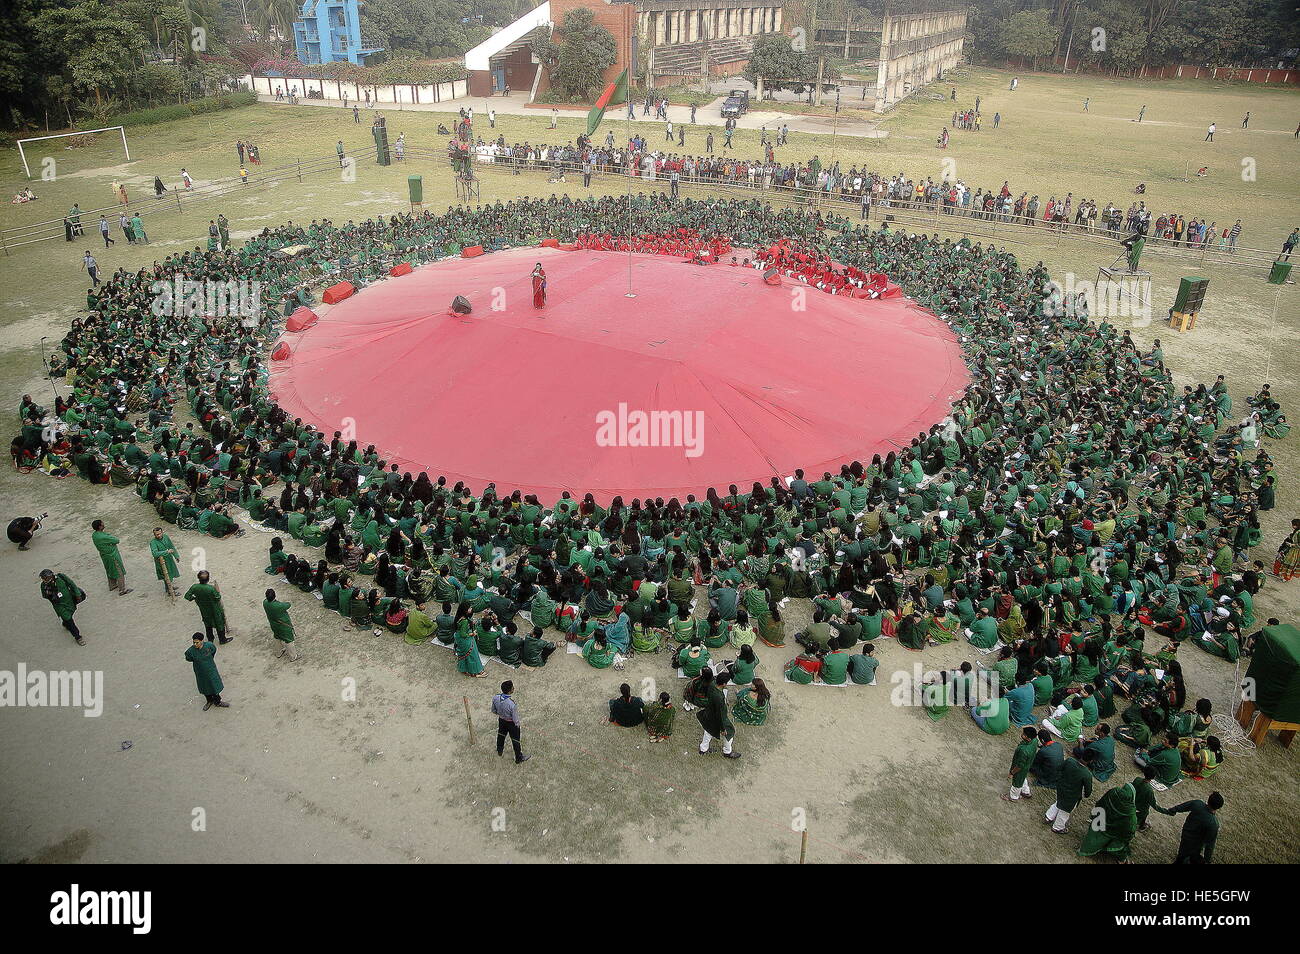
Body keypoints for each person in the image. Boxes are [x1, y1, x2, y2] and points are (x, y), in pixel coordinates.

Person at [1077, 779, 1139, 861]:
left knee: (1093, 837)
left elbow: (1101, 803)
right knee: (1120, 844)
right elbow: (1129, 830)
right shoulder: (1130, 813)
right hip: (1113, 832)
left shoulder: (1113, 793)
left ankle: (1086, 849)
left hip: (1101, 823)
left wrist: (1095, 815)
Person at [1155, 792, 1222, 863]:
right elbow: (1210, 845)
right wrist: (1207, 860)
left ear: (1208, 800)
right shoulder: (1213, 824)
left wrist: (1173, 810)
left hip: (1186, 834)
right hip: (1196, 844)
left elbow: (1184, 806)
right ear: (1219, 807)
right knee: (1185, 857)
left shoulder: (1198, 804)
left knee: (1183, 850)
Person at [1045, 747, 1095, 833]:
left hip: (1061, 788)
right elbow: (1088, 791)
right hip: (1072, 796)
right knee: (1065, 811)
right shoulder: (1087, 774)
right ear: (1091, 761)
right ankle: (1058, 827)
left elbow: (1059, 769)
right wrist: (1086, 795)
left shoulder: (1070, 761)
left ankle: (1049, 816)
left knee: (1059, 801)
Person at [696, 668, 739, 758]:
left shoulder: (712, 684)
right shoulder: (719, 697)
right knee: (729, 733)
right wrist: (722, 729)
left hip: (709, 713)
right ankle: (727, 751)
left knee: (708, 731)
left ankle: (703, 749)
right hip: (718, 718)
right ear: (724, 684)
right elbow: (719, 714)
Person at [40, 568, 86, 645]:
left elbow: (71, 584)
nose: (44, 580)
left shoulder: (61, 577)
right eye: (43, 578)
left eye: (46, 578)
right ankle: (78, 637)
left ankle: (65, 623)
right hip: (59, 605)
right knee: (68, 619)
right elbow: (45, 596)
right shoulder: (43, 586)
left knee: (69, 615)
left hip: (70, 602)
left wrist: (77, 594)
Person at [184, 570, 230, 644]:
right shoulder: (211, 588)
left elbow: (187, 596)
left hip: (203, 608)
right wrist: (217, 592)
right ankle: (222, 639)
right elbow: (217, 597)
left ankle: (210, 639)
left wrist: (194, 598)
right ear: (208, 579)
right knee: (219, 622)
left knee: (207, 623)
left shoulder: (195, 587)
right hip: (214, 608)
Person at [185, 632, 228, 710]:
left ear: (202, 641)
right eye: (194, 642)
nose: (195, 644)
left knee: (214, 686)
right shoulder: (190, 651)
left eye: (197, 642)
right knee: (204, 687)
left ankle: (218, 701)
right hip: (200, 673)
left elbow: (213, 650)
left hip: (211, 670)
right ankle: (209, 701)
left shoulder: (209, 646)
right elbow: (188, 658)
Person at [91, 519, 131, 595]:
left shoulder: (94, 535)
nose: (104, 524)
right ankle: (122, 590)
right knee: (119, 571)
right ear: (100, 527)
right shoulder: (103, 536)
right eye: (102, 524)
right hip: (112, 555)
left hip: (104, 556)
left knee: (109, 570)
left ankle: (112, 585)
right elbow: (116, 540)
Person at [492, 680, 530, 763]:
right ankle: (519, 758)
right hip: (511, 724)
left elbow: (494, 711)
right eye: (513, 687)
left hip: (501, 720)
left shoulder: (495, 698)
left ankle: (499, 750)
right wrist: (517, 724)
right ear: (510, 691)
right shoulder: (512, 704)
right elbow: (515, 719)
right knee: (515, 740)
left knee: (501, 735)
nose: (514, 688)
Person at [1004, 725, 1039, 801]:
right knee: (1023, 778)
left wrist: (1012, 773)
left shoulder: (1024, 751)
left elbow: (1019, 766)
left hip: (1021, 768)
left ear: (1028, 738)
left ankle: (1013, 797)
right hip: (1027, 765)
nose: (1022, 735)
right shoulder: (1034, 741)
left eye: (1024, 734)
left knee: (1017, 782)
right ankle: (1026, 791)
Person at [264, 587, 299, 661]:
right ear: (275, 595)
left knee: (277, 637)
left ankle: (278, 652)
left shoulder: (265, 603)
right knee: (289, 640)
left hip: (273, 624)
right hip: (283, 626)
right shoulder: (278, 606)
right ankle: (293, 657)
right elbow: (288, 605)